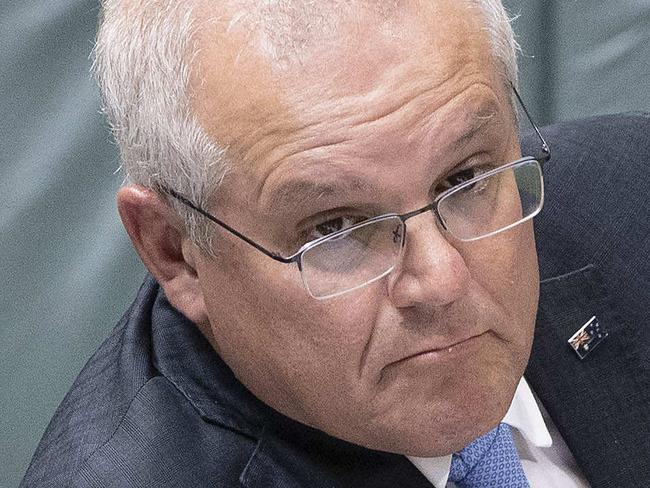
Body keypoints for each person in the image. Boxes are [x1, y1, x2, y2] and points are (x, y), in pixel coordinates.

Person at [21, 0, 650, 487]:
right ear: (175, 251)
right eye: (337, 228)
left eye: (464, 179)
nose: (441, 280)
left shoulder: (631, 196)